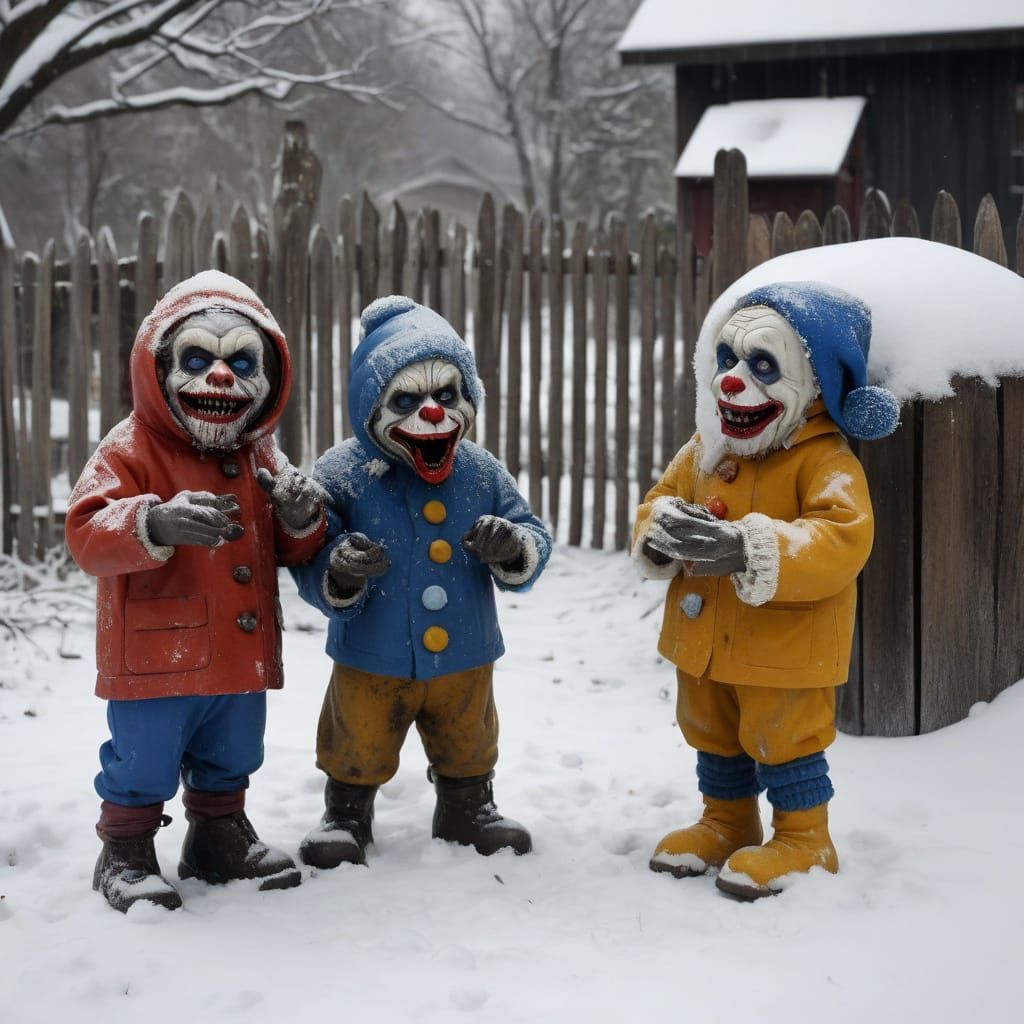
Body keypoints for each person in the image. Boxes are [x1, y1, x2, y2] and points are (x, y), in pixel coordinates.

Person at [66, 270, 326, 913]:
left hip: (238, 650)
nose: (219, 379)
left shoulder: (261, 450)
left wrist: (299, 516)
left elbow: (293, 547)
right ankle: (124, 851)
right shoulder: (128, 447)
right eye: (196, 359)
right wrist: (151, 521)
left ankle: (217, 834)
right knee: (143, 755)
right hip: (156, 653)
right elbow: (85, 532)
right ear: (158, 367)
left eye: (241, 361)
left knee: (232, 749)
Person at [632, 282, 899, 899]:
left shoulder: (825, 462)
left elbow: (840, 539)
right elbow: (659, 500)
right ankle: (726, 820)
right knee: (711, 729)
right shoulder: (706, 448)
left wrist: (747, 548)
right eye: (727, 361)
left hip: (784, 651)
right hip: (706, 641)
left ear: (810, 383)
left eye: (761, 365)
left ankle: (806, 839)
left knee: (784, 738)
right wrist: (660, 532)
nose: (732, 381)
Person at [292, 296, 551, 868]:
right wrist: (338, 566)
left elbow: (533, 530)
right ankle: (346, 813)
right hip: (372, 652)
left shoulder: (481, 471)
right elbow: (309, 551)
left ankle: (468, 805)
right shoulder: (342, 471)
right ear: (369, 406)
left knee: (469, 734)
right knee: (356, 735)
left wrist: (514, 547)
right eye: (405, 401)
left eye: (446, 396)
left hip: (464, 650)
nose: (432, 414)